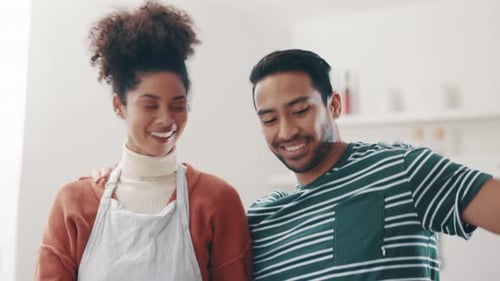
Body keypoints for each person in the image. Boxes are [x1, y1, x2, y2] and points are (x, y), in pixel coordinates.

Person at [35, 2, 252, 280]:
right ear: (119, 105)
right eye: (150, 106)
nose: (166, 119)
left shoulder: (217, 202)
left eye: (177, 105)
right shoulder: (73, 204)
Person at [246, 49, 500, 280]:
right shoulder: (260, 221)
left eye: (300, 111)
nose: (286, 131)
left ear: (334, 105)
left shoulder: (402, 169)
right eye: (269, 120)